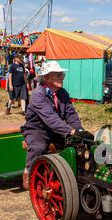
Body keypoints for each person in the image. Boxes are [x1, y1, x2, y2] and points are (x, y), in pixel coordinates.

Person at [20, 61, 83, 190]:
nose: (62, 77)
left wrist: (79, 131)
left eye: (62, 75)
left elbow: (71, 114)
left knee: (78, 144)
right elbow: (51, 119)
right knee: (38, 146)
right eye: (58, 75)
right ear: (47, 77)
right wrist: (70, 131)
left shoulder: (62, 93)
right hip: (37, 129)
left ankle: (72, 176)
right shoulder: (38, 95)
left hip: (55, 129)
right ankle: (28, 173)